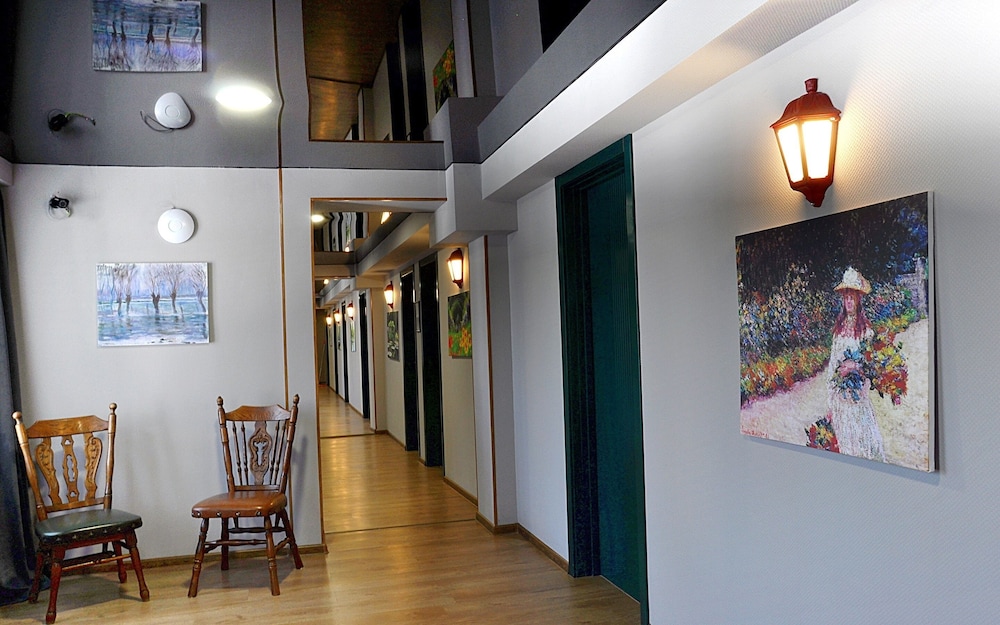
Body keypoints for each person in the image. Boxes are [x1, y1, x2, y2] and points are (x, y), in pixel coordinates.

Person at [826, 267, 886, 461]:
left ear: (859, 300)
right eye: (846, 298)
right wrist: (830, 401)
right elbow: (833, 365)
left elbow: (871, 366)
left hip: (858, 396)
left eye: (852, 297)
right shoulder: (838, 331)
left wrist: (855, 368)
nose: (849, 302)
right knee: (845, 445)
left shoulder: (866, 331)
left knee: (862, 444)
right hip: (841, 398)